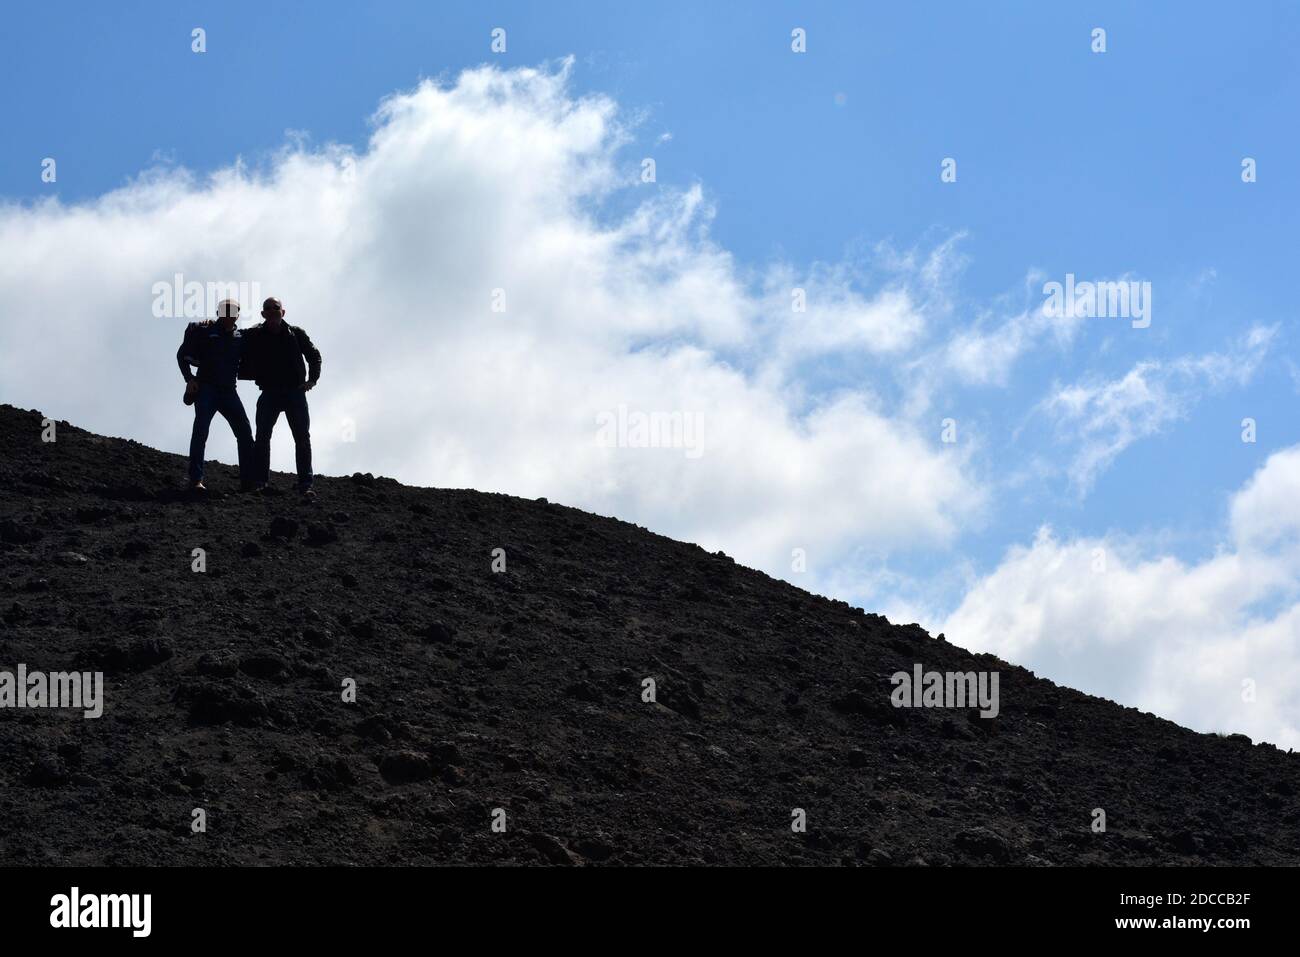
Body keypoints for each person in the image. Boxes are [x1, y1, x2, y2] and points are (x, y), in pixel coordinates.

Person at [242, 297, 322, 496]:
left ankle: (305, 484)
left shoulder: (296, 333)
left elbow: (314, 355)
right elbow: (233, 335)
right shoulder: (255, 334)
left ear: (283, 312)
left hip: (295, 392)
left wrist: (312, 380)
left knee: (302, 438)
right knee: (262, 437)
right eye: (267, 308)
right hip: (269, 392)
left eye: (275, 308)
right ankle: (261, 482)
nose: (271, 311)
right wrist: (210, 326)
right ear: (262, 314)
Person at [176, 299, 254, 492]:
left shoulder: (240, 337)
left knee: (244, 433)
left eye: (232, 310)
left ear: (238, 313)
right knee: (201, 432)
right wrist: (190, 379)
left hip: (229, 390)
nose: (227, 313)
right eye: (223, 310)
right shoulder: (203, 331)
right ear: (218, 312)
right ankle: (195, 480)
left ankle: (248, 482)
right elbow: (182, 354)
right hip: (206, 389)